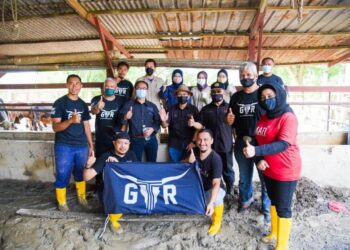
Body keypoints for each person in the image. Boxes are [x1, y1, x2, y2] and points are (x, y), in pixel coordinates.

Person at [243, 81, 301, 250]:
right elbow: (256, 139)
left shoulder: (288, 117)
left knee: (283, 207)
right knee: (274, 202)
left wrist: (257, 150)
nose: (266, 99)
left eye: (270, 96)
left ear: (279, 96)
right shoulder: (264, 117)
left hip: (286, 169)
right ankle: (274, 233)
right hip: (268, 168)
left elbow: (283, 143)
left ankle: (282, 246)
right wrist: (258, 158)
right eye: (263, 97)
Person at [227, 62, 271, 222]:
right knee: (244, 177)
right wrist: (229, 121)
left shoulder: (263, 94)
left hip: (261, 144)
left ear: (255, 75)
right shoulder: (236, 97)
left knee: (265, 177)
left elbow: (272, 117)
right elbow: (230, 120)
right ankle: (245, 200)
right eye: (242, 75)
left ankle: (266, 207)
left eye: (248, 75)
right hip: (241, 142)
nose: (245, 77)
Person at [51, 74, 94, 212]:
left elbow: (87, 126)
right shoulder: (59, 103)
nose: (74, 86)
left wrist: (91, 145)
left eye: (77, 83)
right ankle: (62, 202)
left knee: (80, 173)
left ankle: (82, 198)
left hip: (81, 145)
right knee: (62, 173)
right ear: (66, 85)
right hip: (64, 145)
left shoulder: (82, 104)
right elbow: (55, 127)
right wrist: (70, 120)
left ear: (81, 86)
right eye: (71, 83)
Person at [84, 131, 137, 233]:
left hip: (125, 187)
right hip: (108, 191)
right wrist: (88, 165)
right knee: (116, 204)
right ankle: (112, 220)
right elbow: (86, 177)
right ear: (114, 143)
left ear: (129, 144)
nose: (123, 146)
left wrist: (119, 166)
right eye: (120, 143)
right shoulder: (106, 157)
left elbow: (136, 174)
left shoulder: (132, 155)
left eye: (126, 143)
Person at [190, 82, 235, 195]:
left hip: (226, 145)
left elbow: (235, 125)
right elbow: (201, 124)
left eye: (218, 91)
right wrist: (194, 124)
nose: (216, 94)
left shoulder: (230, 107)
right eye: (214, 92)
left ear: (223, 93)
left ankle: (230, 190)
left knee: (227, 170)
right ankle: (216, 191)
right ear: (211, 94)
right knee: (213, 170)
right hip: (210, 146)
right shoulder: (206, 109)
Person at [90, 77, 125, 204]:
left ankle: (114, 186)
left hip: (115, 140)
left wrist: (121, 133)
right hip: (100, 138)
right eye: (107, 86)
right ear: (104, 87)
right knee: (99, 162)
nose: (109, 88)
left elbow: (124, 119)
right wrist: (98, 108)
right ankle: (98, 186)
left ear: (116, 88)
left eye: (112, 86)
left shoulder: (121, 101)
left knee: (115, 162)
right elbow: (92, 111)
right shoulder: (97, 99)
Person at [185, 129, 226, 236]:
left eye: (205, 140)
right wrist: (188, 162)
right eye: (199, 140)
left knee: (216, 198)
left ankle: (217, 222)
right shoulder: (195, 153)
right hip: (198, 189)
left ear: (211, 141)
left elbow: (216, 183)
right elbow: (180, 164)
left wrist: (211, 203)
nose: (202, 143)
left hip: (213, 189)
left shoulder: (215, 158)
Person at [119, 80, 161, 162]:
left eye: (144, 88)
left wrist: (152, 129)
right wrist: (125, 117)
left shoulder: (152, 106)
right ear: (135, 90)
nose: (141, 90)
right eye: (139, 88)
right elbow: (120, 120)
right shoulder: (129, 104)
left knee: (152, 163)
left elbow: (157, 122)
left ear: (147, 91)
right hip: (135, 140)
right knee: (135, 164)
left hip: (151, 139)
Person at [159, 85, 199, 161]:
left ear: (188, 96)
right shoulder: (171, 109)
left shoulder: (194, 109)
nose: (182, 96)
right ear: (176, 96)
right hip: (174, 144)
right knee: (174, 167)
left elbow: (198, 128)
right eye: (180, 94)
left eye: (184, 94)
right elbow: (165, 126)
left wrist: (194, 142)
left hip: (189, 144)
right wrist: (163, 121)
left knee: (188, 167)